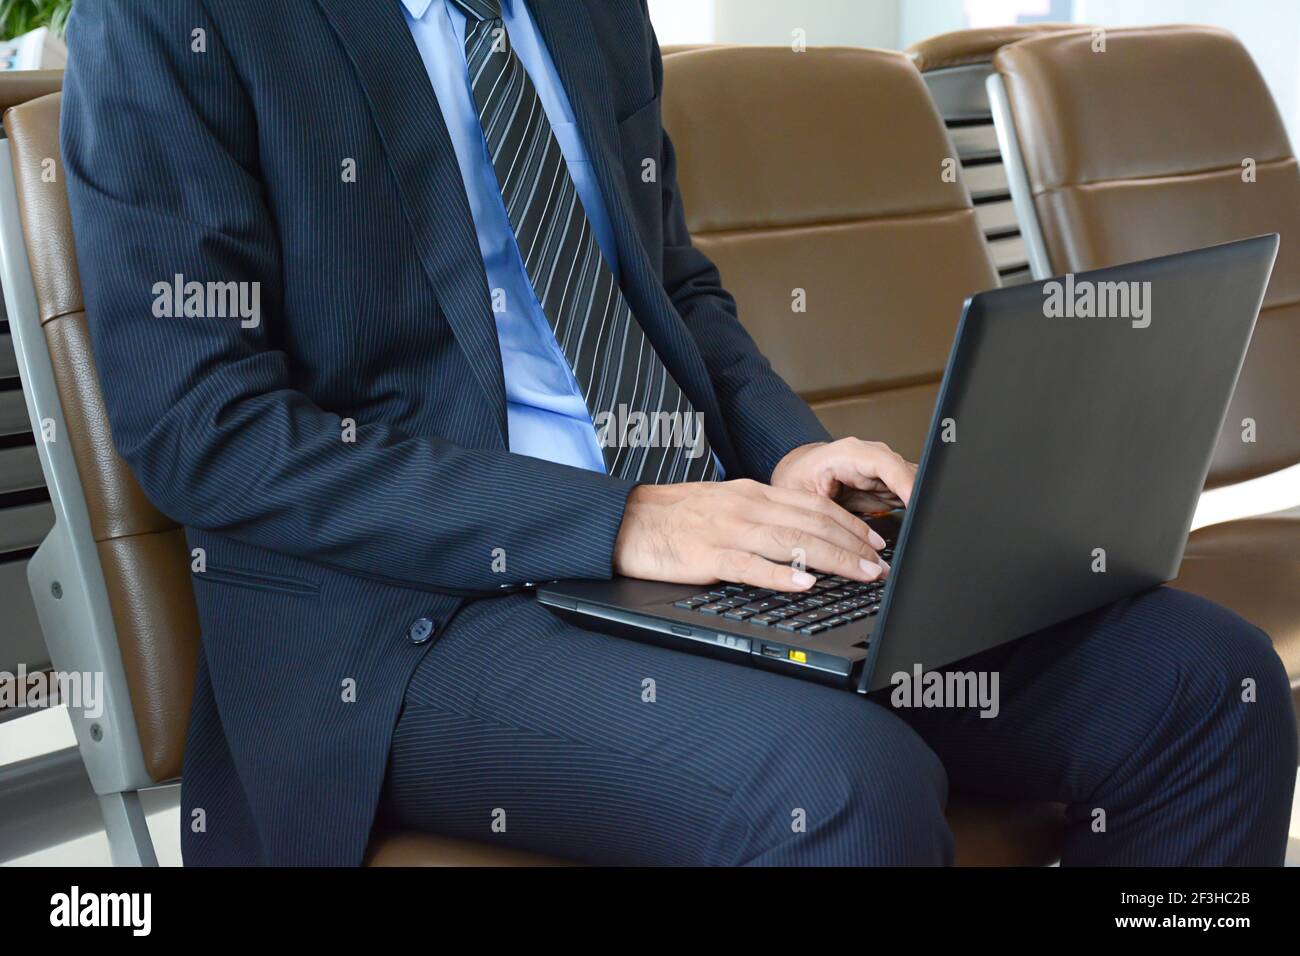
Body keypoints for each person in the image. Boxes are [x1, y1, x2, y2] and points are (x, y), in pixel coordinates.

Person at [62, 0, 1295, 865]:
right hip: (409, 614)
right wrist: (619, 518)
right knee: (836, 785)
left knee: (1206, 682)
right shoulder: (173, 18)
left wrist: (785, 449)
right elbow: (204, 430)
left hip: (702, 541)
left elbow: (670, 286)